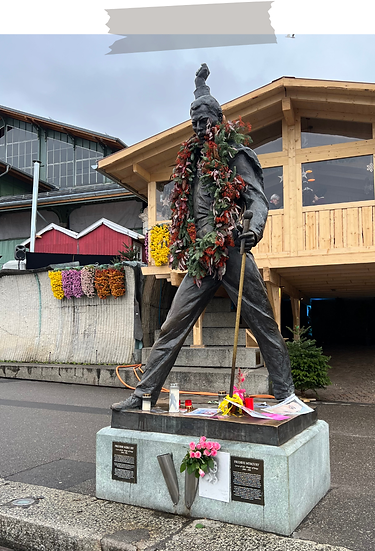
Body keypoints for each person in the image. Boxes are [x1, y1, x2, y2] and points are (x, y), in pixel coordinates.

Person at [111, 64, 295, 411]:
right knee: (172, 325)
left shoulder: (234, 156)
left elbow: (256, 199)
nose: (199, 125)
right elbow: (202, 102)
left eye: (205, 118)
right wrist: (199, 87)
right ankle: (145, 394)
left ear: (219, 120)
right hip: (201, 256)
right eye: (194, 119)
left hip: (232, 247)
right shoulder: (193, 162)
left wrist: (253, 227)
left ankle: (286, 394)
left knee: (262, 321)